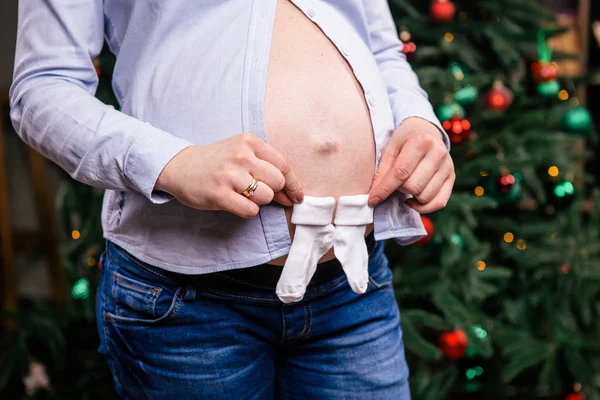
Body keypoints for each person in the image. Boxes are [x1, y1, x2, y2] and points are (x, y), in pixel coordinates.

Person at [10, 0, 455, 398]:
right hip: (187, 305)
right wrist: (174, 164)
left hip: (354, 284)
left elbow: (380, 49)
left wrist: (418, 121)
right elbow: (43, 89)